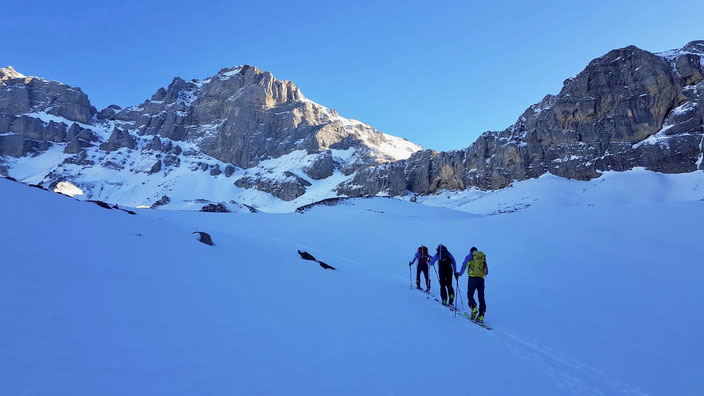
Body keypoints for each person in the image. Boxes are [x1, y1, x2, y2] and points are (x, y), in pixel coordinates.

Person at [455, 247, 488, 323]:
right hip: (481, 279)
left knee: (470, 294)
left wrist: (459, 274)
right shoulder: (482, 257)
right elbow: (486, 272)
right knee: (481, 296)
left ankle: (473, 308)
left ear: (470, 251)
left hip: (472, 279)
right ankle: (481, 315)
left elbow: (464, 265)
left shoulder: (469, 256)